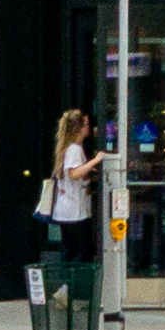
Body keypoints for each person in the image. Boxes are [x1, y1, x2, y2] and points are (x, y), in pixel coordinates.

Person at [46, 109, 104, 260]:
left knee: (70, 250)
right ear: (77, 128)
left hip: (66, 209)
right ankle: (73, 281)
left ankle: (66, 282)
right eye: (85, 124)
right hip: (74, 210)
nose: (88, 127)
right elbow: (73, 173)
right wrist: (95, 160)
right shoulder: (75, 149)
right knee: (82, 251)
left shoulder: (67, 148)